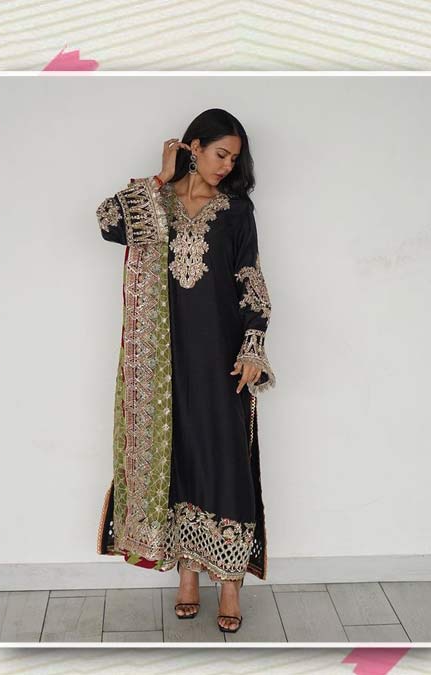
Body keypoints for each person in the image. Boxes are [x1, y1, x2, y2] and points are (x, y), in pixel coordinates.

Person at [94, 109, 275, 634]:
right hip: (164, 361)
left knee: (227, 463)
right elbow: (107, 222)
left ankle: (230, 582)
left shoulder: (237, 210)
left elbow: (249, 277)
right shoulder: (157, 206)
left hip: (221, 359)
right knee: (179, 459)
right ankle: (188, 577)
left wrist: (253, 345)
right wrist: (159, 176)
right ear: (192, 147)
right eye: (221, 154)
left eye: (234, 159)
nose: (227, 165)